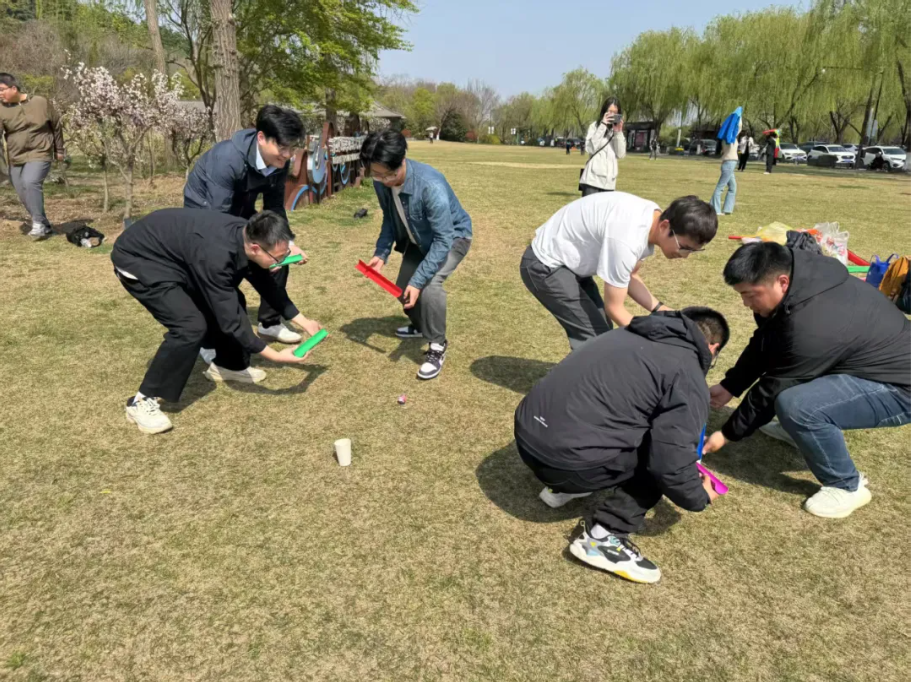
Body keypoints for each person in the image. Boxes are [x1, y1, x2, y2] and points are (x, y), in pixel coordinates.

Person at [515, 307, 729, 584]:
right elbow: (670, 463)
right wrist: (698, 496)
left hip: (527, 438)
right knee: (659, 452)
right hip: (566, 464)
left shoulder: (623, 333)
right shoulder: (686, 371)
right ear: (713, 347)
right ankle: (604, 536)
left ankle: (561, 489)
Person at [703, 243, 911, 518]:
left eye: (750, 295)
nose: (745, 304)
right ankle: (798, 430)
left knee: (797, 406)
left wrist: (728, 434)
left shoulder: (813, 324)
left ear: (782, 282)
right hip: (861, 362)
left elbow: (776, 384)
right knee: (794, 391)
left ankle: (847, 485)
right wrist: (731, 385)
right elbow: (767, 341)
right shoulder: (800, 281)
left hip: (900, 388)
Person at [112, 209, 322, 434]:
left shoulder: (249, 235)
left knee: (233, 300)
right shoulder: (216, 256)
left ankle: (229, 365)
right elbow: (231, 320)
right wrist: (276, 356)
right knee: (189, 326)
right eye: (278, 257)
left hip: (180, 253)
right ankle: (141, 401)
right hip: (141, 259)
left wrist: (304, 321)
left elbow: (268, 286)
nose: (281, 262)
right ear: (255, 248)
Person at [520, 193, 717, 350]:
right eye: (684, 247)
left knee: (602, 331)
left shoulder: (652, 218)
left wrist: (662, 310)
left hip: (572, 265)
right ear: (665, 226)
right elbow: (615, 308)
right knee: (595, 338)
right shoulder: (627, 238)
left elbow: (630, 275)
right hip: (545, 265)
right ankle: (581, 386)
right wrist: (657, 340)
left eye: (693, 251)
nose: (685, 256)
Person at [184, 104, 306, 350]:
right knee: (222, 268)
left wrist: (288, 244)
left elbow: (274, 207)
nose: (287, 154)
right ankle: (209, 342)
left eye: (292, 148)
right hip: (205, 214)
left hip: (240, 210)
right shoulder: (227, 159)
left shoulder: (279, 162)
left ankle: (270, 322)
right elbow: (218, 218)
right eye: (282, 147)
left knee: (277, 252)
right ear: (261, 137)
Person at [360, 130, 472, 380]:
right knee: (403, 288)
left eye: (388, 175)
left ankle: (437, 345)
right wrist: (382, 252)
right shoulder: (381, 180)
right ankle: (422, 326)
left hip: (452, 238)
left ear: (402, 161)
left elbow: (443, 238)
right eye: (376, 174)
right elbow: (390, 217)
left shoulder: (430, 185)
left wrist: (419, 279)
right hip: (417, 239)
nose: (383, 180)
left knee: (429, 286)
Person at [0, 73, 64, 240]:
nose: (0, 94)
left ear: (14, 88)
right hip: (16, 155)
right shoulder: (1, 109)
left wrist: (59, 149)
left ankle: (37, 224)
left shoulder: (40, 102)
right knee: (22, 192)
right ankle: (45, 225)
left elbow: (56, 125)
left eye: (2, 90)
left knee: (30, 182)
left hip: (40, 151)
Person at [580, 97, 626, 196]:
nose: (612, 115)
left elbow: (621, 154)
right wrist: (603, 125)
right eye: (610, 111)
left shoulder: (617, 131)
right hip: (592, 180)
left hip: (610, 183)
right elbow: (590, 149)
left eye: (615, 112)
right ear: (604, 111)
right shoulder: (594, 126)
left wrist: (618, 132)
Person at [711, 119, 740, 215]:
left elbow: (737, 129)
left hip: (730, 164)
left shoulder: (730, 137)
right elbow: (738, 128)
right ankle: (715, 209)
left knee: (733, 187)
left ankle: (727, 209)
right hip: (728, 163)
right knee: (720, 187)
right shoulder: (728, 138)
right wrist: (739, 118)